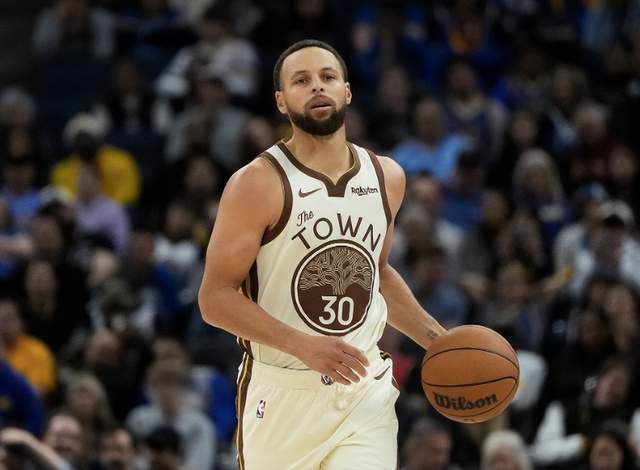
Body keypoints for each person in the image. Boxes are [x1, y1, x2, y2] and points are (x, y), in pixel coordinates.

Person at [198, 39, 446, 470]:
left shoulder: (386, 176)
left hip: (363, 392)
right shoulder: (257, 183)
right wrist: (302, 346)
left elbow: (377, 273)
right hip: (282, 395)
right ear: (281, 101)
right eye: (301, 80)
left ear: (346, 91)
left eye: (327, 77)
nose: (317, 87)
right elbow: (215, 297)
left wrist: (437, 341)